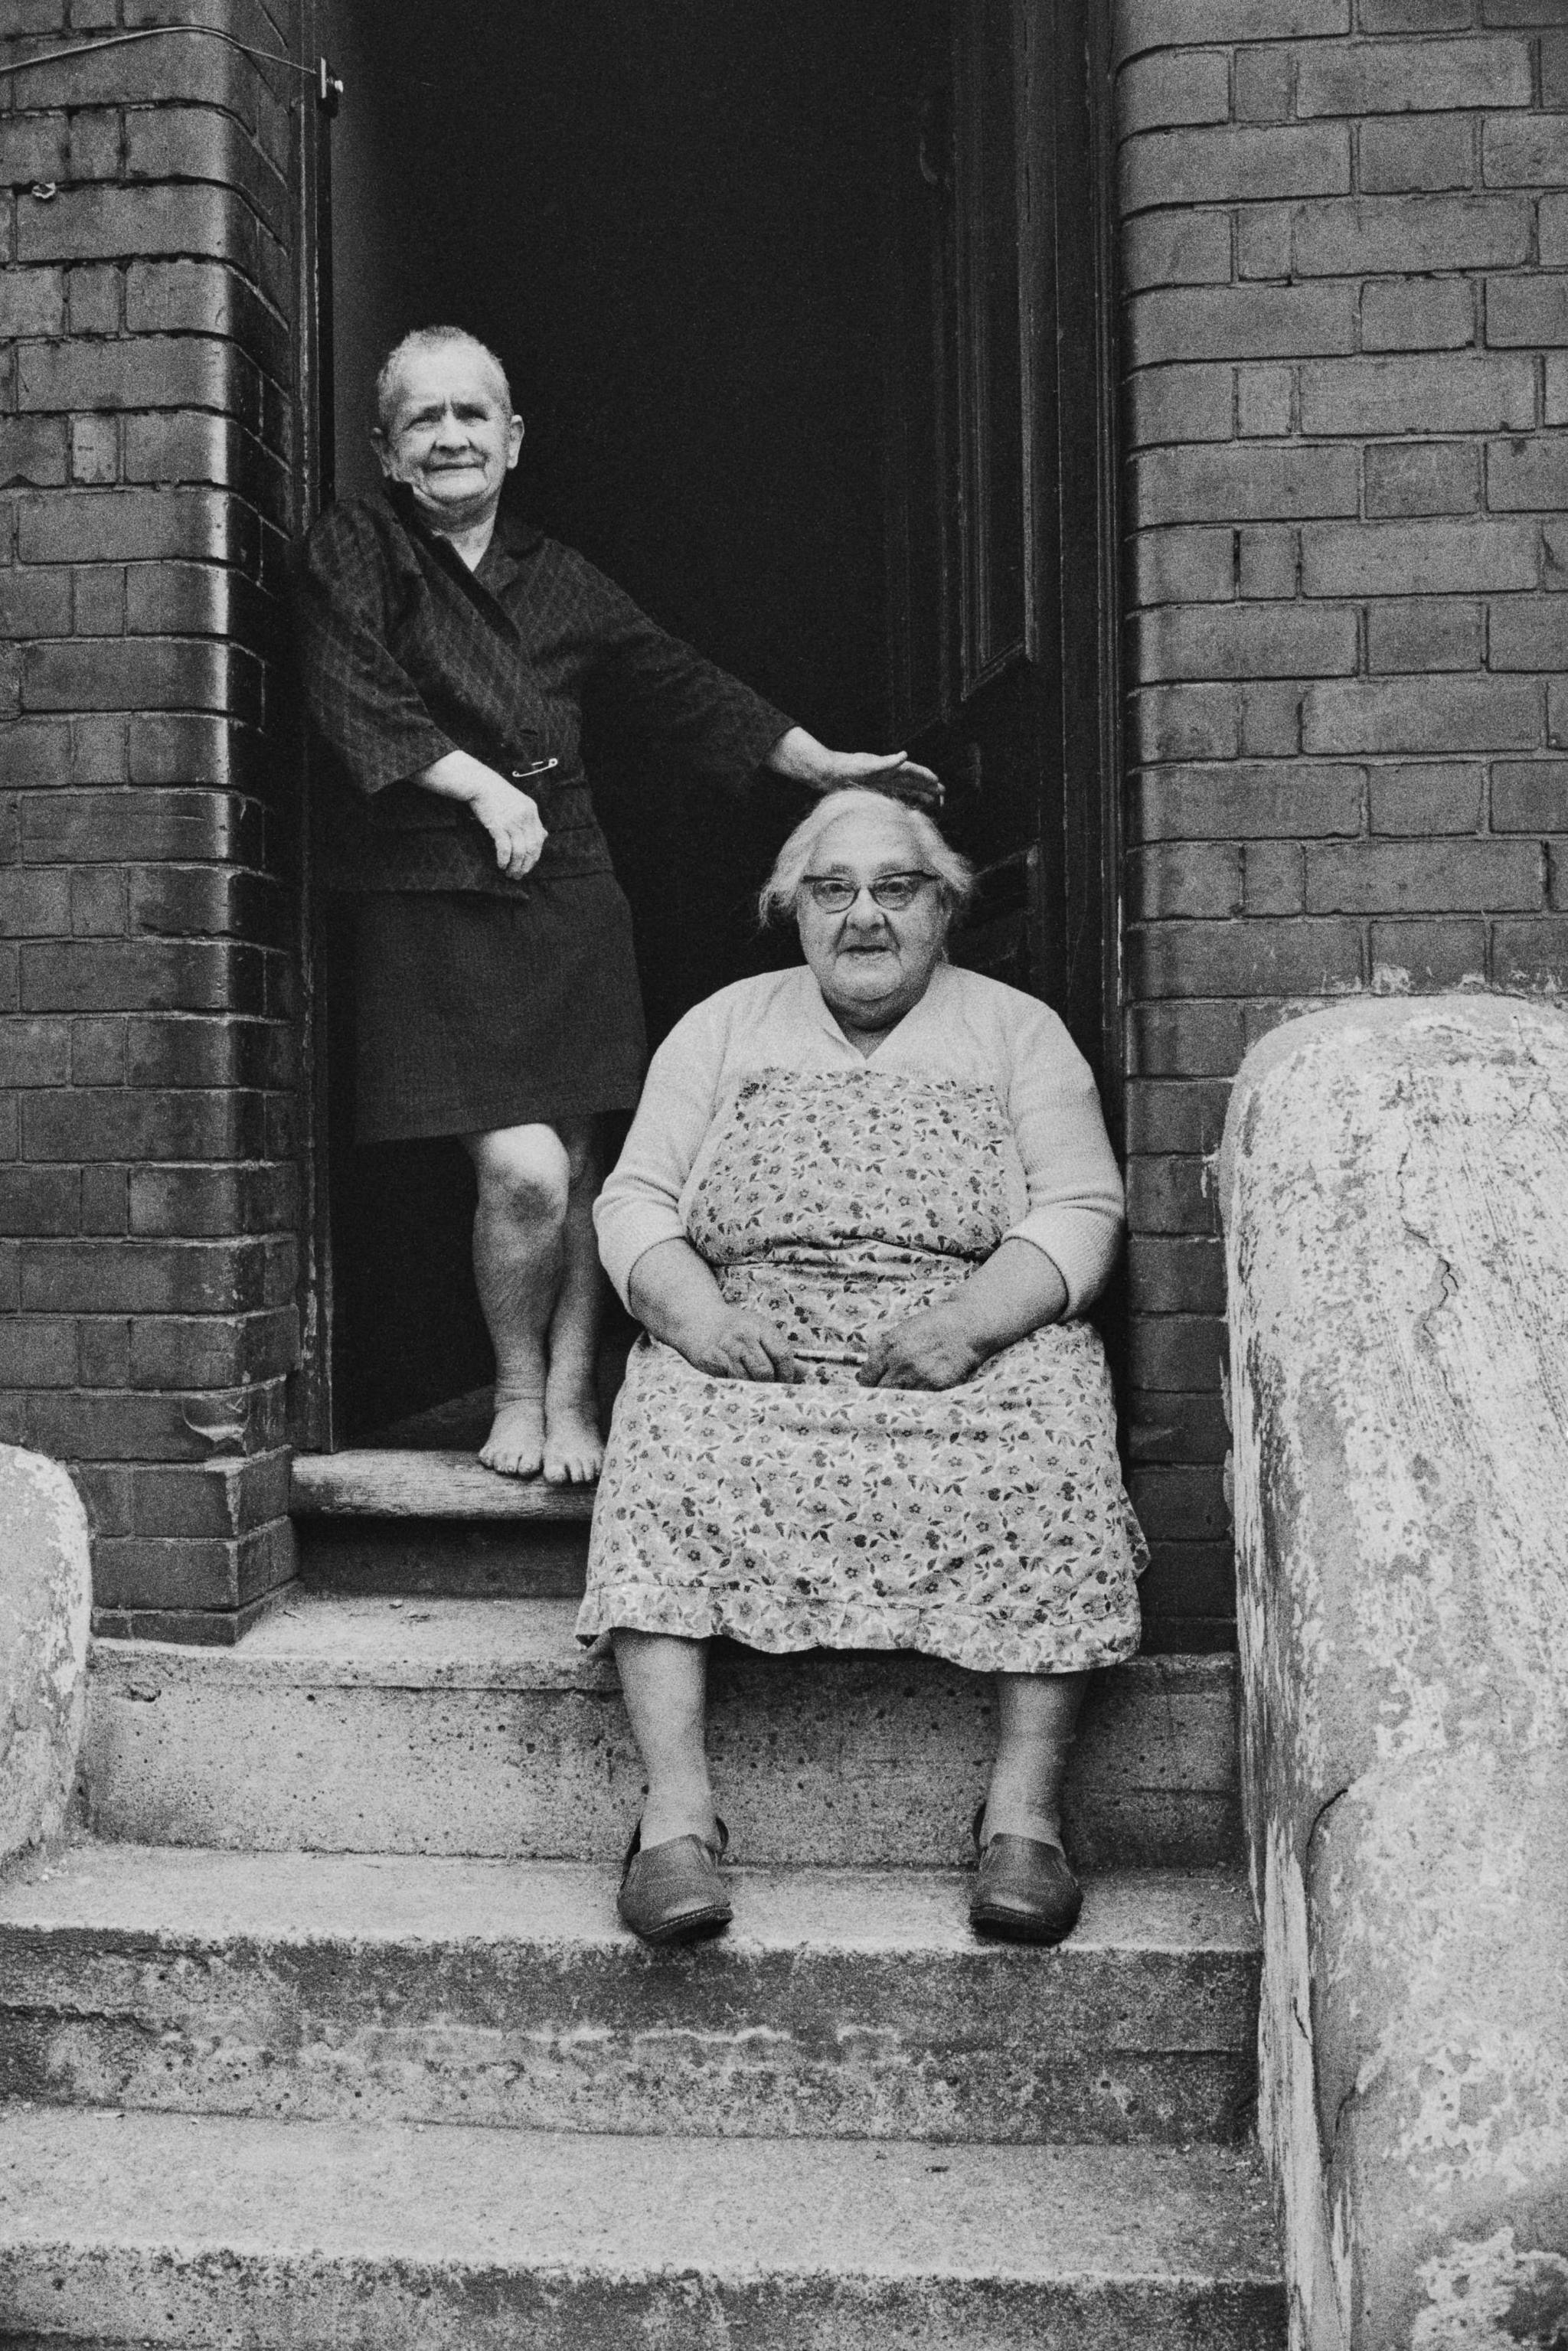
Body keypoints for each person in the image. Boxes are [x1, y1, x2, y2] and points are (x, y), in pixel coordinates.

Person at [298, 325, 936, 1484]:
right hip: (429, 888)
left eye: (472, 416)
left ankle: (575, 1395)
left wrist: (828, 768)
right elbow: (349, 683)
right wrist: (478, 783)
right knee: (525, 1172)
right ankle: (514, 1386)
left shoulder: (561, 577)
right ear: (389, 455)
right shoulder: (355, 546)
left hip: (566, 885)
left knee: (587, 1166)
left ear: (514, 437)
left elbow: (682, 686)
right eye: (424, 422)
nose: (451, 438)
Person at [581, 788, 1148, 1948]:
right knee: (665, 1430)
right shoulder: (725, 1026)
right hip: (757, 1349)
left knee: (1057, 1424)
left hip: (958, 1351)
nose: (864, 918)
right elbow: (635, 1198)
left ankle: (1024, 1820)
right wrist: (694, 1316)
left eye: (896, 889)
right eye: (832, 891)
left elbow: (1084, 1207)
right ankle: (676, 1821)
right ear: (792, 912)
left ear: (944, 908)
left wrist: (976, 1323)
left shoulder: (1015, 1030)